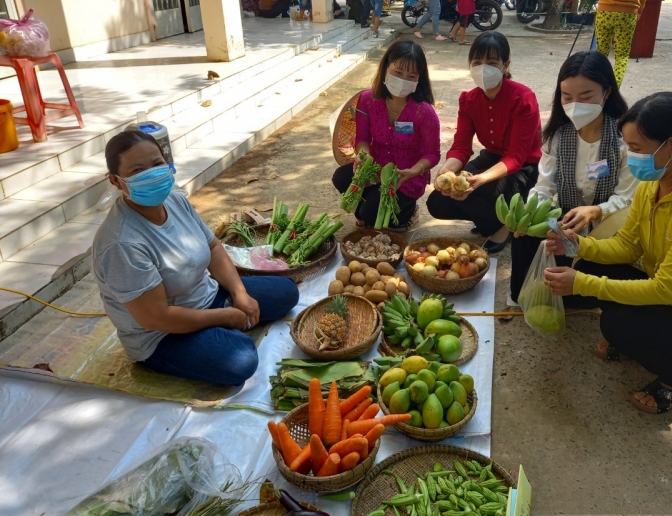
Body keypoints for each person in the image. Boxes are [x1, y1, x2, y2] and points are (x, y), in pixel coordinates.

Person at [543, 92, 672, 414]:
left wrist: (581, 284)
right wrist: (578, 245)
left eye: (637, 149)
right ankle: (643, 338)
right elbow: (628, 246)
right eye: (629, 147)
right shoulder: (652, 186)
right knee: (590, 265)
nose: (631, 157)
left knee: (617, 323)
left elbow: (664, 288)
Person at [92, 131, 300, 386]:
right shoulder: (121, 243)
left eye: (157, 164)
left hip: (207, 296)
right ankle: (214, 334)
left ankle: (217, 330)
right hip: (162, 335)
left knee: (287, 291)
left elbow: (213, 248)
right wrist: (226, 317)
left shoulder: (176, 201)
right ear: (116, 181)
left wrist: (239, 293)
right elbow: (158, 318)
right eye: (137, 171)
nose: (151, 174)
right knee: (241, 359)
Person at [509, 51, 637, 306]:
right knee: (524, 238)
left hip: (608, 230)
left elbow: (628, 198)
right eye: (567, 97)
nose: (575, 104)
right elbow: (544, 186)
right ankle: (520, 295)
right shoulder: (558, 136)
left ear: (607, 93)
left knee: (583, 291)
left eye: (586, 96)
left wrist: (596, 211)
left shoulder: (625, 139)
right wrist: (527, 214)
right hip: (567, 221)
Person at [427, 31, 542, 253]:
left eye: (491, 62)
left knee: (476, 192)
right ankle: (489, 217)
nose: (483, 68)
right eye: (477, 62)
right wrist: (446, 170)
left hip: (524, 167)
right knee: (437, 201)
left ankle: (502, 227)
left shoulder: (522, 98)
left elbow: (516, 157)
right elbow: (461, 147)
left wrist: (479, 180)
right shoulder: (468, 100)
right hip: (490, 158)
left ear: (505, 65)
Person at [332, 40, 440, 230]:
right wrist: (362, 155)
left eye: (411, 76)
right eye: (398, 73)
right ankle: (372, 210)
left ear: (419, 79)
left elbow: (433, 154)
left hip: (405, 176)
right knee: (340, 178)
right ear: (385, 67)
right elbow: (363, 139)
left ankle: (409, 210)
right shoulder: (367, 99)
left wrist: (413, 171)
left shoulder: (424, 112)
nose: (403, 80)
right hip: (375, 167)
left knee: (368, 214)